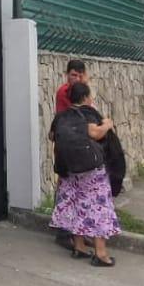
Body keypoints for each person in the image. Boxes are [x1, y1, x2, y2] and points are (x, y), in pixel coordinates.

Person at [49, 81, 121, 266]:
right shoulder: (89, 113)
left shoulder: (61, 116)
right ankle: (101, 254)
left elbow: (51, 136)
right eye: (90, 96)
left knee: (75, 205)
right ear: (86, 97)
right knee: (98, 207)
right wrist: (107, 124)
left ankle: (79, 247)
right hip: (91, 170)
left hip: (69, 168)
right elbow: (96, 133)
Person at [52, 59, 89, 248]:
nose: (76, 78)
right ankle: (62, 231)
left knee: (77, 188)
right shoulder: (65, 93)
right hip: (66, 146)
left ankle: (77, 231)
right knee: (65, 187)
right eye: (73, 75)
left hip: (78, 147)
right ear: (67, 74)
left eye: (80, 75)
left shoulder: (82, 91)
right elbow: (83, 111)